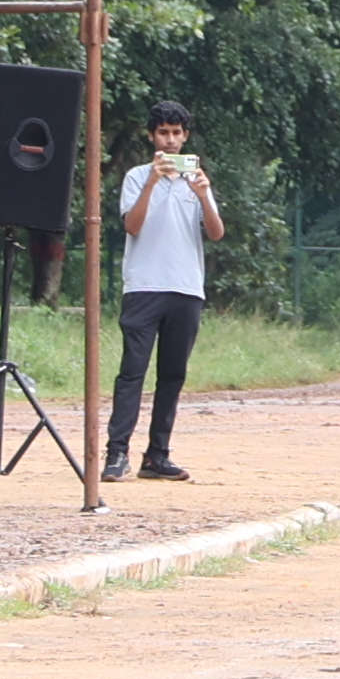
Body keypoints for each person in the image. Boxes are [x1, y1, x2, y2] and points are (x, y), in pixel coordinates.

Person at [98, 98, 222, 482]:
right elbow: (132, 225)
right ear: (152, 136)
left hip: (186, 287)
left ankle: (157, 455)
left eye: (176, 133)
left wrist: (203, 195)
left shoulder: (196, 179)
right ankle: (117, 452)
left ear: (185, 137)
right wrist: (152, 182)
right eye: (163, 133)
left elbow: (216, 232)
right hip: (144, 285)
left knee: (172, 375)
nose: (170, 140)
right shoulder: (137, 176)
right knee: (132, 371)